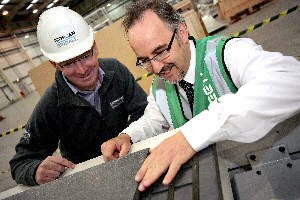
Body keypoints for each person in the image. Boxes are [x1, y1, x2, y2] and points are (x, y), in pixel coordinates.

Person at [101, 0, 300, 192]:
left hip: (267, 166)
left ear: (182, 31)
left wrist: (191, 136)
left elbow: (290, 79)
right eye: (145, 60)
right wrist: (128, 136)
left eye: (160, 51)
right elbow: (152, 121)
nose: (156, 67)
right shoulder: (160, 87)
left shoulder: (226, 54)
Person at [9, 6, 148, 186]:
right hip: (90, 180)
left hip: (129, 158)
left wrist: (125, 136)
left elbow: (144, 112)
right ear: (55, 64)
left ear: (95, 47)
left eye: (85, 56)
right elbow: (20, 163)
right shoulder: (51, 104)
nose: (82, 70)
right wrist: (35, 171)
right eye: (68, 64)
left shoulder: (116, 71)